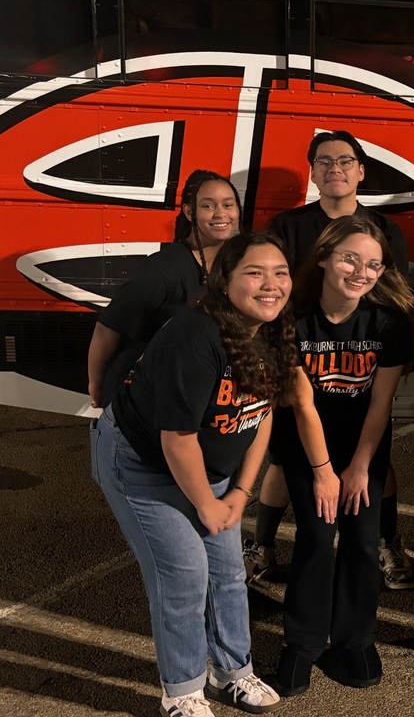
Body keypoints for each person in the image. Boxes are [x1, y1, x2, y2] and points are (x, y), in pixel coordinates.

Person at [91, 232, 294, 717]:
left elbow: (262, 414)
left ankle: (233, 675)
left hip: (210, 466)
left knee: (226, 572)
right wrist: (207, 505)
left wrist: (240, 492)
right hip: (143, 463)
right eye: (255, 272)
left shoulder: (277, 329)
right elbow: (176, 439)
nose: (271, 285)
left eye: (281, 272)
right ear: (224, 282)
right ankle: (181, 690)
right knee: (184, 574)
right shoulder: (194, 335)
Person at [252, 130, 414, 590]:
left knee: (376, 462)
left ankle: (386, 542)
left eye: (345, 160)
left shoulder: (385, 229)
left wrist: (393, 358)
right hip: (303, 369)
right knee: (286, 462)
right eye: (324, 161)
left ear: (361, 171)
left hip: (360, 368)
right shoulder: (288, 226)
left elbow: (399, 298)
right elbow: (272, 292)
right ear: (313, 171)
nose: (334, 168)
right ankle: (260, 547)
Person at [273, 217, 414, 695]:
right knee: (315, 538)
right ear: (323, 258)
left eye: (374, 264)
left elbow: (381, 406)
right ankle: (302, 644)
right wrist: (322, 473)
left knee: (361, 540)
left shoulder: (388, 324)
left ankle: (354, 640)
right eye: (350, 258)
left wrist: (359, 468)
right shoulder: (292, 320)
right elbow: (303, 403)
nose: (362, 271)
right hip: (306, 445)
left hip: (364, 449)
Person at [87, 169, 240, 408]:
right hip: (144, 396)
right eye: (208, 206)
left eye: (228, 205)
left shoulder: (235, 263)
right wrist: (96, 386)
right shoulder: (164, 268)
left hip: (188, 392)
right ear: (189, 212)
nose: (221, 214)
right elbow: (108, 327)